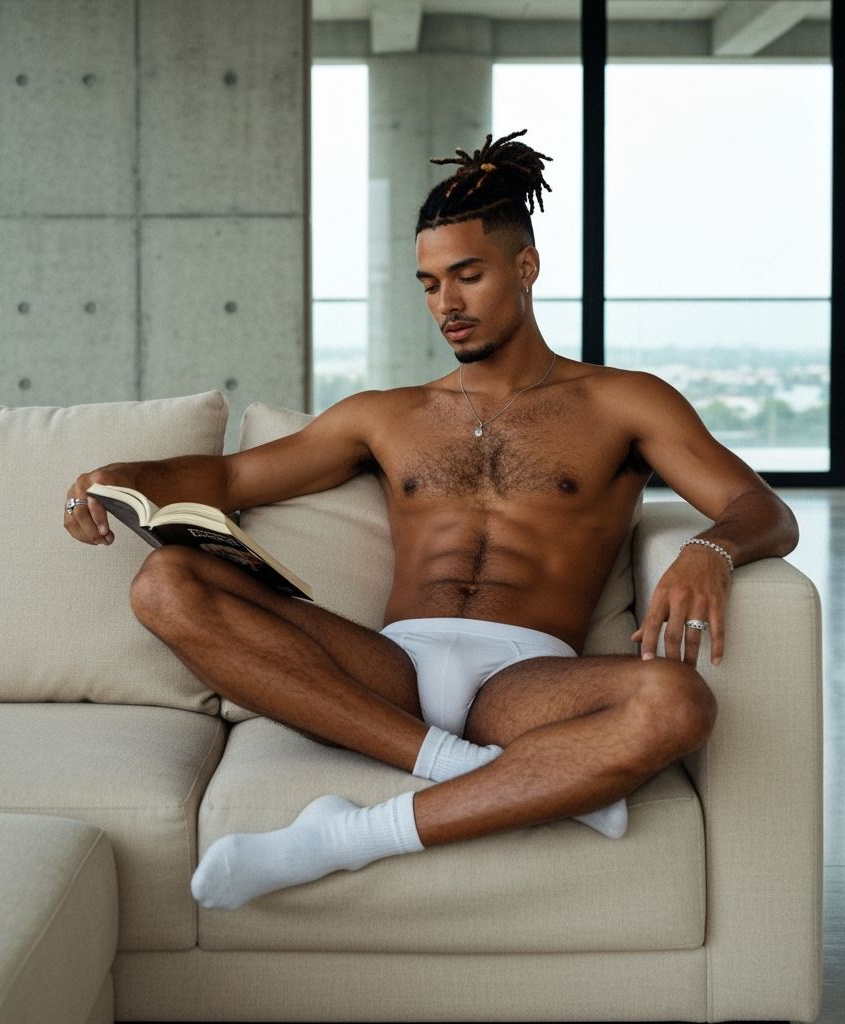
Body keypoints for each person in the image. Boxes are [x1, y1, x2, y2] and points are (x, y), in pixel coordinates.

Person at [64, 131, 798, 911]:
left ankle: (344, 837)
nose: (445, 304)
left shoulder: (624, 401)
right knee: (165, 582)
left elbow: (763, 509)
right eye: (427, 284)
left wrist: (711, 548)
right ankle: (457, 769)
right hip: (391, 675)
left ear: (525, 268)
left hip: (525, 681)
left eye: (467, 276)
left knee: (679, 705)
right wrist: (123, 478)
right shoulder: (388, 415)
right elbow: (235, 476)